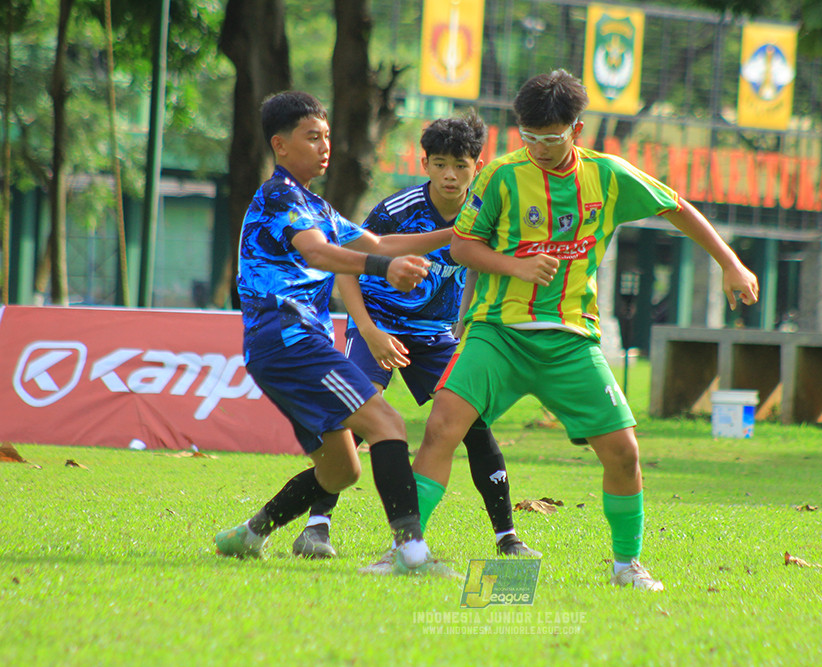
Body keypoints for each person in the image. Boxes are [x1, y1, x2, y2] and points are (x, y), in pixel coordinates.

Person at [409, 70, 760, 590]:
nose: (540, 148)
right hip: (498, 330)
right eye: (529, 137)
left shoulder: (609, 175)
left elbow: (678, 209)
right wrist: (516, 267)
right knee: (442, 427)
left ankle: (626, 565)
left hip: (572, 337)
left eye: (551, 137)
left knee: (624, 451)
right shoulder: (500, 175)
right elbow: (462, 246)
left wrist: (730, 263)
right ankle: (408, 549)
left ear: (577, 128)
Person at [213, 90, 452, 575]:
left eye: (326, 136)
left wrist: (459, 233)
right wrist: (385, 268)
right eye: (312, 137)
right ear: (280, 146)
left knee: (342, 469)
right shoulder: (281, 196)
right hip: (290, 339)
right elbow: (320, 254)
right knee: (388, 426)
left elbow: (380, 241)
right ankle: (412, 554)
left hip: (283, 348)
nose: (325, 146)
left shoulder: (314, 204)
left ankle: (249, 534)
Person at [290, 112, 540, 566]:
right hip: (377, 326)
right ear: (424, 163)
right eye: (440, 163)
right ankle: (316, 526)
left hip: (435, 336)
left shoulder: (486, 214)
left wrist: (465, 330)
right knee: (351, 421)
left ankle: (507, 537)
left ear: (476, 167)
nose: (450, 174)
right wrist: (369, 331)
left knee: (474, 427)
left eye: (461, 165)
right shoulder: (395, 212)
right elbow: (345, 264)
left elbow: (482, 271)